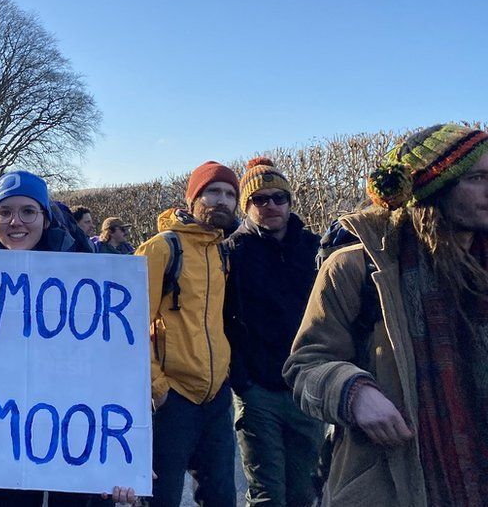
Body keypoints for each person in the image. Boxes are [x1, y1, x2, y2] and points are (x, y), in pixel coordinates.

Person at [284, 124, 488, 506]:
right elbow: (305, 366)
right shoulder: (356, 268)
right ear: (434, 188)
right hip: (395, 482)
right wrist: (353, 393)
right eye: (477, 178)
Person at [0, 170, 139, 507]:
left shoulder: (84, 271)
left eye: (28, 211)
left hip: (73, 432)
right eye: (4, 212)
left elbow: (114, 361)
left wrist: (127, 458)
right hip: (1, 434)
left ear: (45, 218)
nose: (15, 221)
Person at [134, 160, 239, 507]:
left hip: (215, 396)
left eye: (229, 194)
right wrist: (158, 388)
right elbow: (130, 326)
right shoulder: (162, 248)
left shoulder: (221, 251)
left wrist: (223, 376)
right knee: (161, 499)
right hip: (173, 398)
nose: (222, 200)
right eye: (212, 192)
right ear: (193, 198)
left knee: (221, 496)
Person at [223, 158, 323, 507]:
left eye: (279, 197)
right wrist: (242, 378)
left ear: (290, 202)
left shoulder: (314, 249)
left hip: (305, 388)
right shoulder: (232, 252)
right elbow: (222, 318)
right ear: (247, 206)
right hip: (258, 390)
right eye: (259, 199)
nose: (270, 206)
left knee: (303, 490)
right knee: (267, 493)